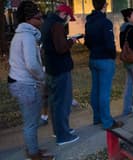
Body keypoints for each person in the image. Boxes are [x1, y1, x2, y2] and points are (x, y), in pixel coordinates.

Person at [7, 1, 54, 159]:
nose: (41, 21)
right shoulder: (26, 36)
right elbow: (31, 64)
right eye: (38, 17)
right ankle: (33, 154)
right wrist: (42, 77)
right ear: (28, 19)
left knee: (31, 120)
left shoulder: (22, 34)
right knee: (31, 122)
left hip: (20, 82)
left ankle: (32, 149)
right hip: (24, 85)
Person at [41, 4, 79, 145]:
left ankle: (59, 130)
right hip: (60, 69)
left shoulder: (47, 23)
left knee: (55, 102)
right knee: (62, 103)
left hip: (51, 68)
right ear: (64, 14)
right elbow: (61, 48)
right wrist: (71, 41)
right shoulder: (57, 25)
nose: (68, 20)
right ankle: (63, 136)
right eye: (68, 17)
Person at [84, 0, 124, 129]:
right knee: (104, 92)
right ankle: (107, 121)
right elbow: (109, 43)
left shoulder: (89, 22)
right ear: (104, 6)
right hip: (104, 60)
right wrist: (112, 56)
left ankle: (97, 118)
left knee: (95, 90)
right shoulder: (105, 22)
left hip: (94, 58)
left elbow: (87, 42)